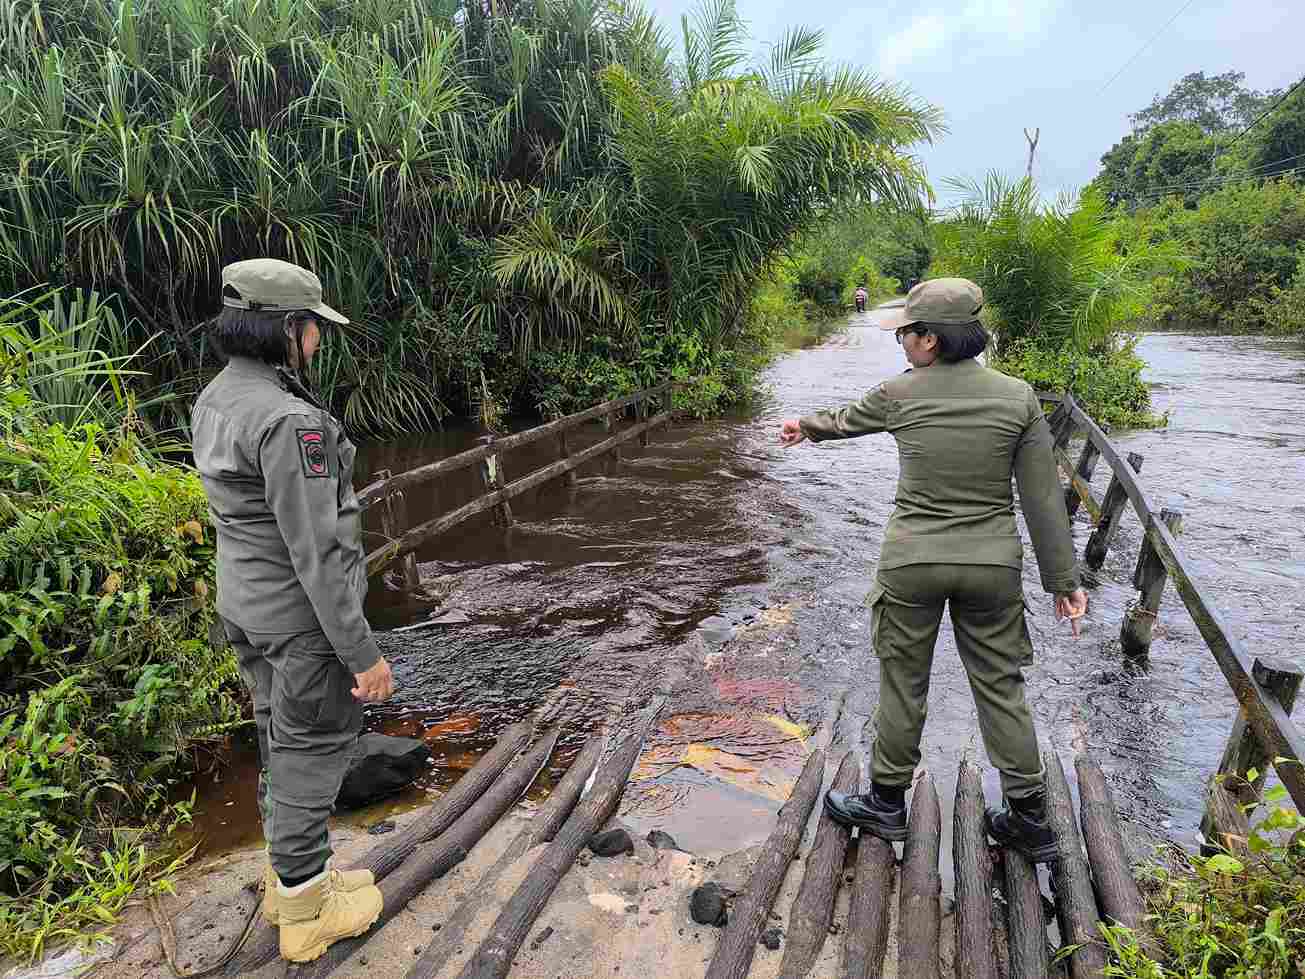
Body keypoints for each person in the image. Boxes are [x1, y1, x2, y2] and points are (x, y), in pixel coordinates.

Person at [779, 278, 1088, 863]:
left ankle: (887, 803)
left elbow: (846, 419)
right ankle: (1027, 817)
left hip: (913, 561)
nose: (901, 344)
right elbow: (1043, 499)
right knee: (1001, 685)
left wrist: (806, 427)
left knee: (903, 681)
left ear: (929, 339)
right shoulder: (1018, 397)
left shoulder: (901, 393)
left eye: (904, 334)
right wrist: (1064, 584)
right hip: (992, 565)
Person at [192, 259, 394, 961]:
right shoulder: (288, 422)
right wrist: (361, 654)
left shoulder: (219, 397)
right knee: (311, 750)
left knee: (278, 737)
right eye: (312, 328)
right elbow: (318, 552)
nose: (317, 341)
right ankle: (306, 913)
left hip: (245, 606)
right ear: (286, 327)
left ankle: (293, 878)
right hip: (298, 619)